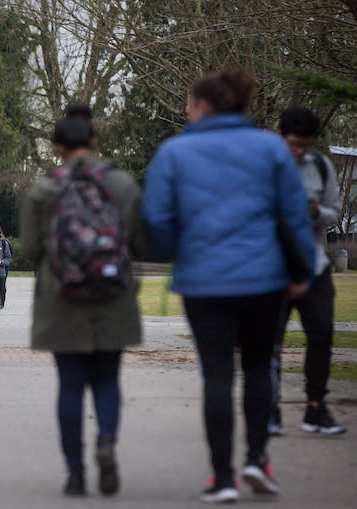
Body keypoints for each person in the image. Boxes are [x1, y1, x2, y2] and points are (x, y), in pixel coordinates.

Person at [142, 69, 315, 503]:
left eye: (187, 104)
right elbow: (295, 216)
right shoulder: (271, 150)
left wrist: (176, 250)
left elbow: (158, 222)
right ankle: (258, 457)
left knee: (217, 374)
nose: (185, 111)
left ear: (202, 106)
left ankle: (222, 477)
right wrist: (301, 273)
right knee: (259, 367)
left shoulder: (175, 152)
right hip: (264, 280)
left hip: (204, 281)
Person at [20, 112, 145, 497]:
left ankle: (75, 472)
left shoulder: (44, 190)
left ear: (57, 146)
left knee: (70, 385)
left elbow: (31, 249)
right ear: (95, 141)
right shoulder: (122, 184)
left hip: (62, 298)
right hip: (113, 296)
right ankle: (106, 440)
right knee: (108, 379)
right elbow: (138, 241)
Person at [268, 107, 346, 436]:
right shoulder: (265, 167)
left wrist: (318, 212)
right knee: (269, 342)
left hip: (314, 264)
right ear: (280, 137)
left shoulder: (320, 167)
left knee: (322, 336)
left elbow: (335, 210)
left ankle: (316, 407)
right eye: (295, 144)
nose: (300, 151)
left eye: (307, 145)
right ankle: (268, 411)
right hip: (272, 268)